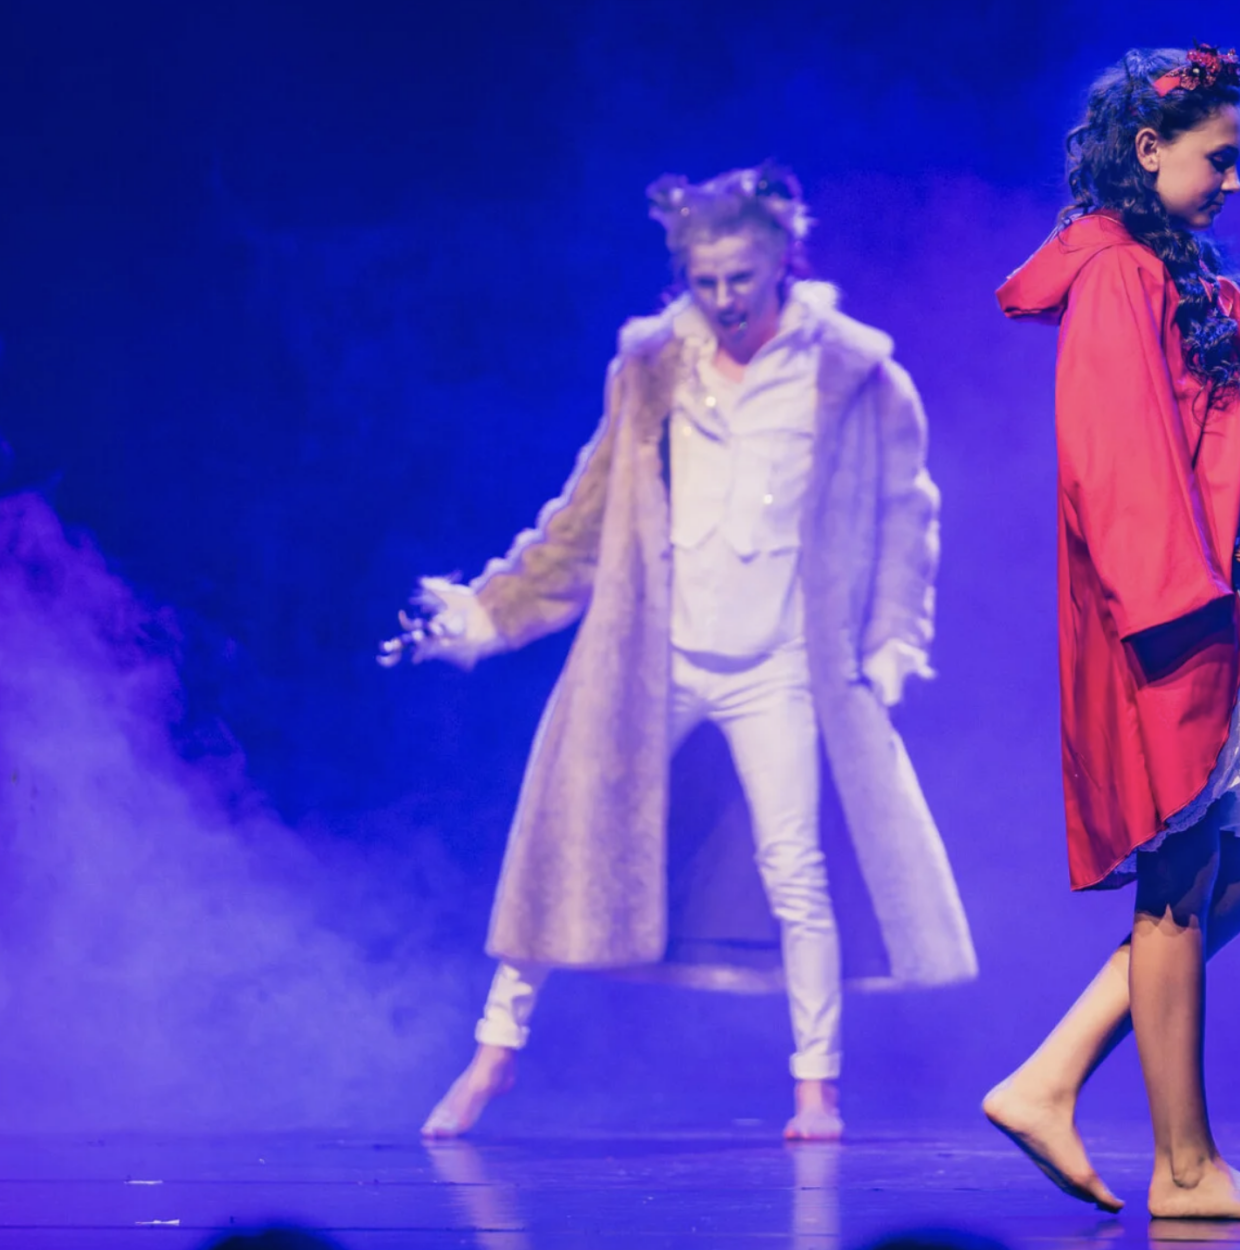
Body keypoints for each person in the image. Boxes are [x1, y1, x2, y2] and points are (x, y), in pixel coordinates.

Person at [382, 164, 976, 1142]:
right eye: (705, 282)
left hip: (781, 663)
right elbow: (584, 518)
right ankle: (493, 1052)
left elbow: (905, 519)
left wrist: (889, 643)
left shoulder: (853, 376)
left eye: (740, 277)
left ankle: (815, 1090)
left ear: (782, 260)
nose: (724, 298)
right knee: (565, 831)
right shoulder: (651, 368)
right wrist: (488, 612)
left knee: (795, 868)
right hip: (655, 657)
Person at [984, 46, 1240, 1220]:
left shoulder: (1172, 266)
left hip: (1221, 580)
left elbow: (1188, 428)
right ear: (1147, 148)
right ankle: (1181, 1164)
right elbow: (1122, 457)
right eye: (1218, 158)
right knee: (1181, 871)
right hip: (1169, 595)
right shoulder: (1117, 274)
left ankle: (1050, 1074)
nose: (1233, 181)